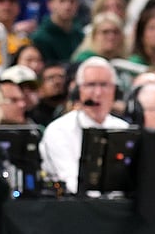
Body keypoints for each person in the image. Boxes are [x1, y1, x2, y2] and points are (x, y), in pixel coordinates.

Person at [37, 57, 129, 194]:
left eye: (104, 85)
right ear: (78, 91)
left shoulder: (124, 128)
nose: (97, 93)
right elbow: (71, 181)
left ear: (115, 91)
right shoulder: (59, 130)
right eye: (91, 85)